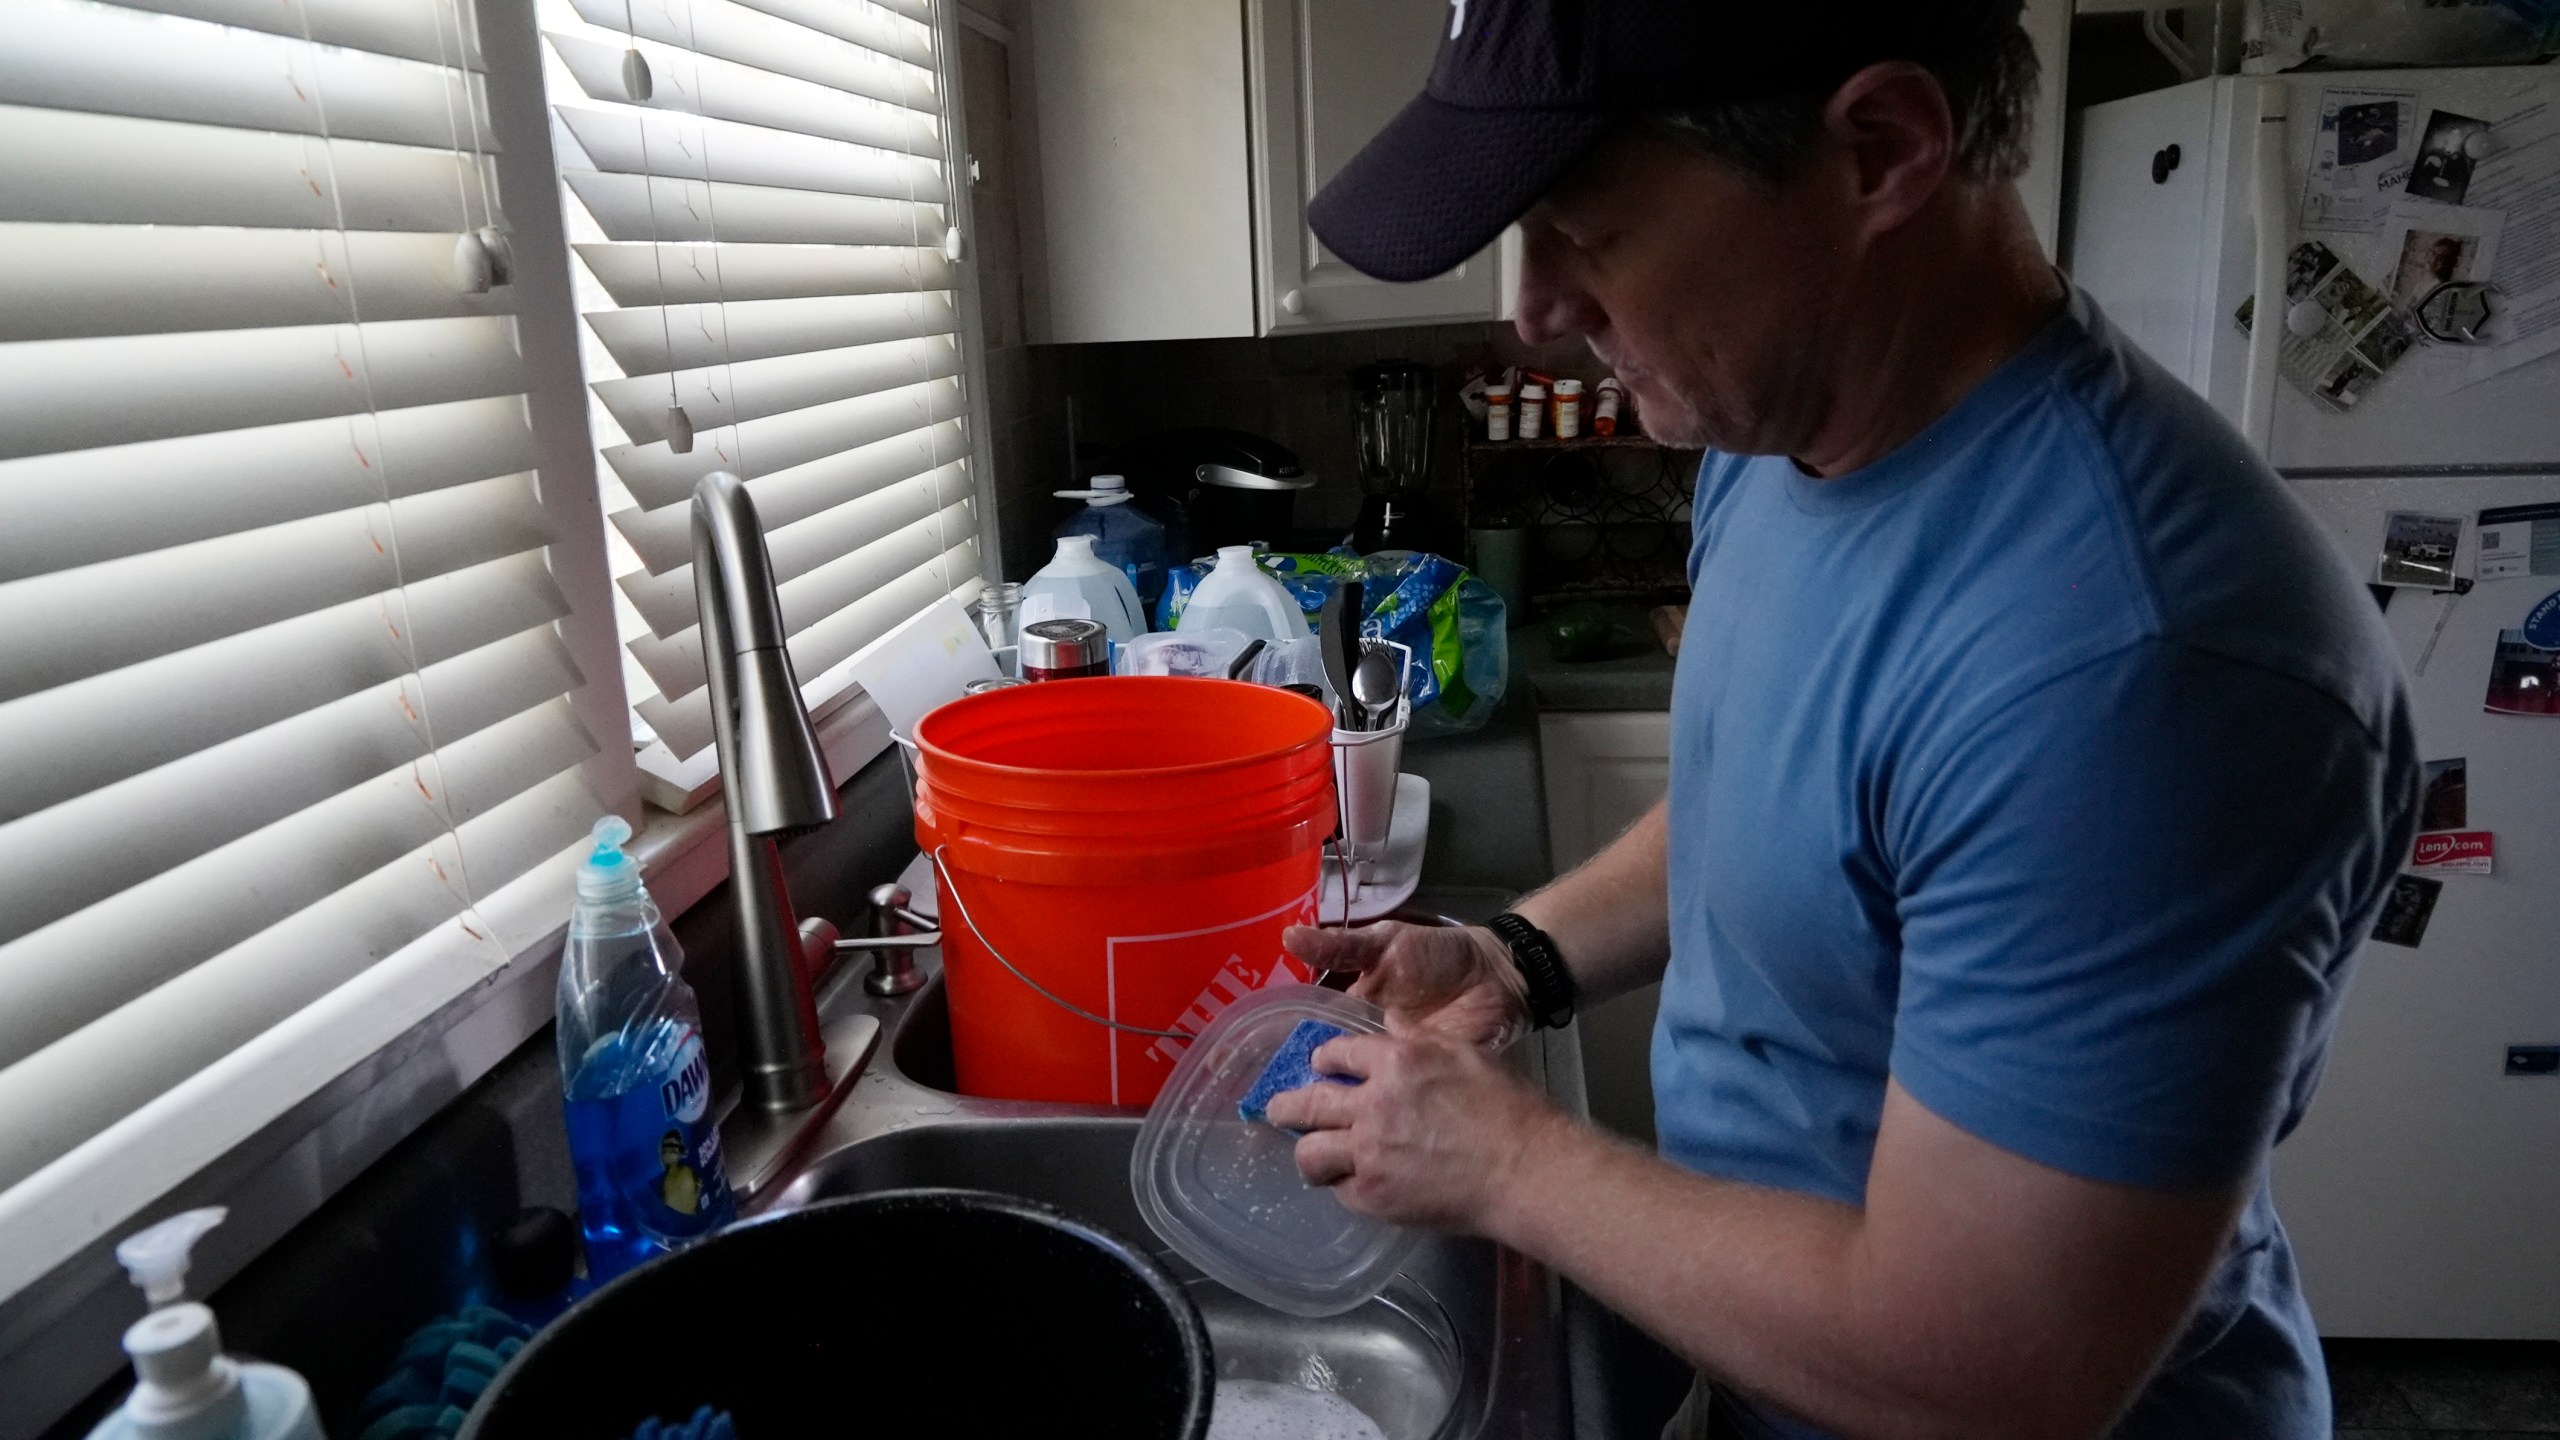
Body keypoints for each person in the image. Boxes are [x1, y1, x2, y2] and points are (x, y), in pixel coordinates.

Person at [1266, 4, 2419, 1438]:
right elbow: (1772, 796)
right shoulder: (1785, 434)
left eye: (1589, 229)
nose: (1534, 307)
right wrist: (1521, 953)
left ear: (1881, 151)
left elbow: (1990, 1371)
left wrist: (1512, 1167)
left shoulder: (2134, 672)